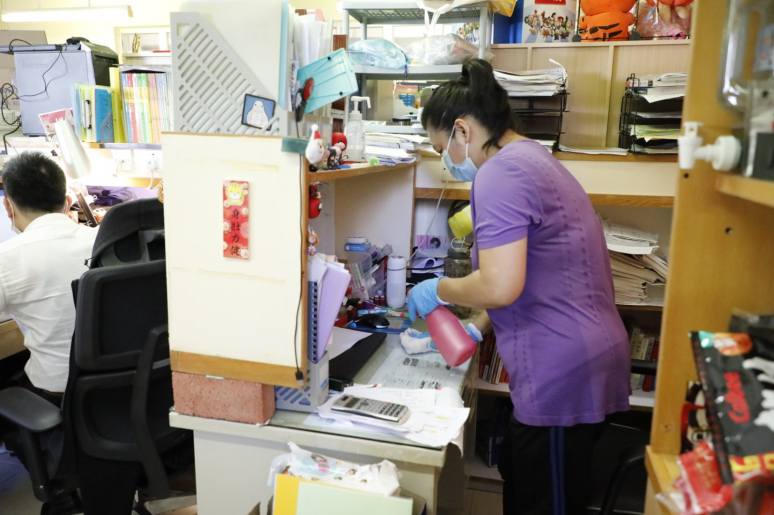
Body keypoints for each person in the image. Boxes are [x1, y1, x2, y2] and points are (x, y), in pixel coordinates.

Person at [408, 59, 631, 515]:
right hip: (582, 355)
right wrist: (478, 326)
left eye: (441, 148)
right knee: (526, 478)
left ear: (463, 130)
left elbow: (500, 283)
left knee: (543, 502)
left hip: (562, 370)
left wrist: (438, 289)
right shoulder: (533, 157)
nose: (446, 161)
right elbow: (533, 272)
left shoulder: (500, 173)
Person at [0, 151, 97, 406]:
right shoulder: (105, 240)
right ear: (68, 202)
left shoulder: (6, 258)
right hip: (129, 392)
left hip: (58, 399)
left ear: (8, 207)